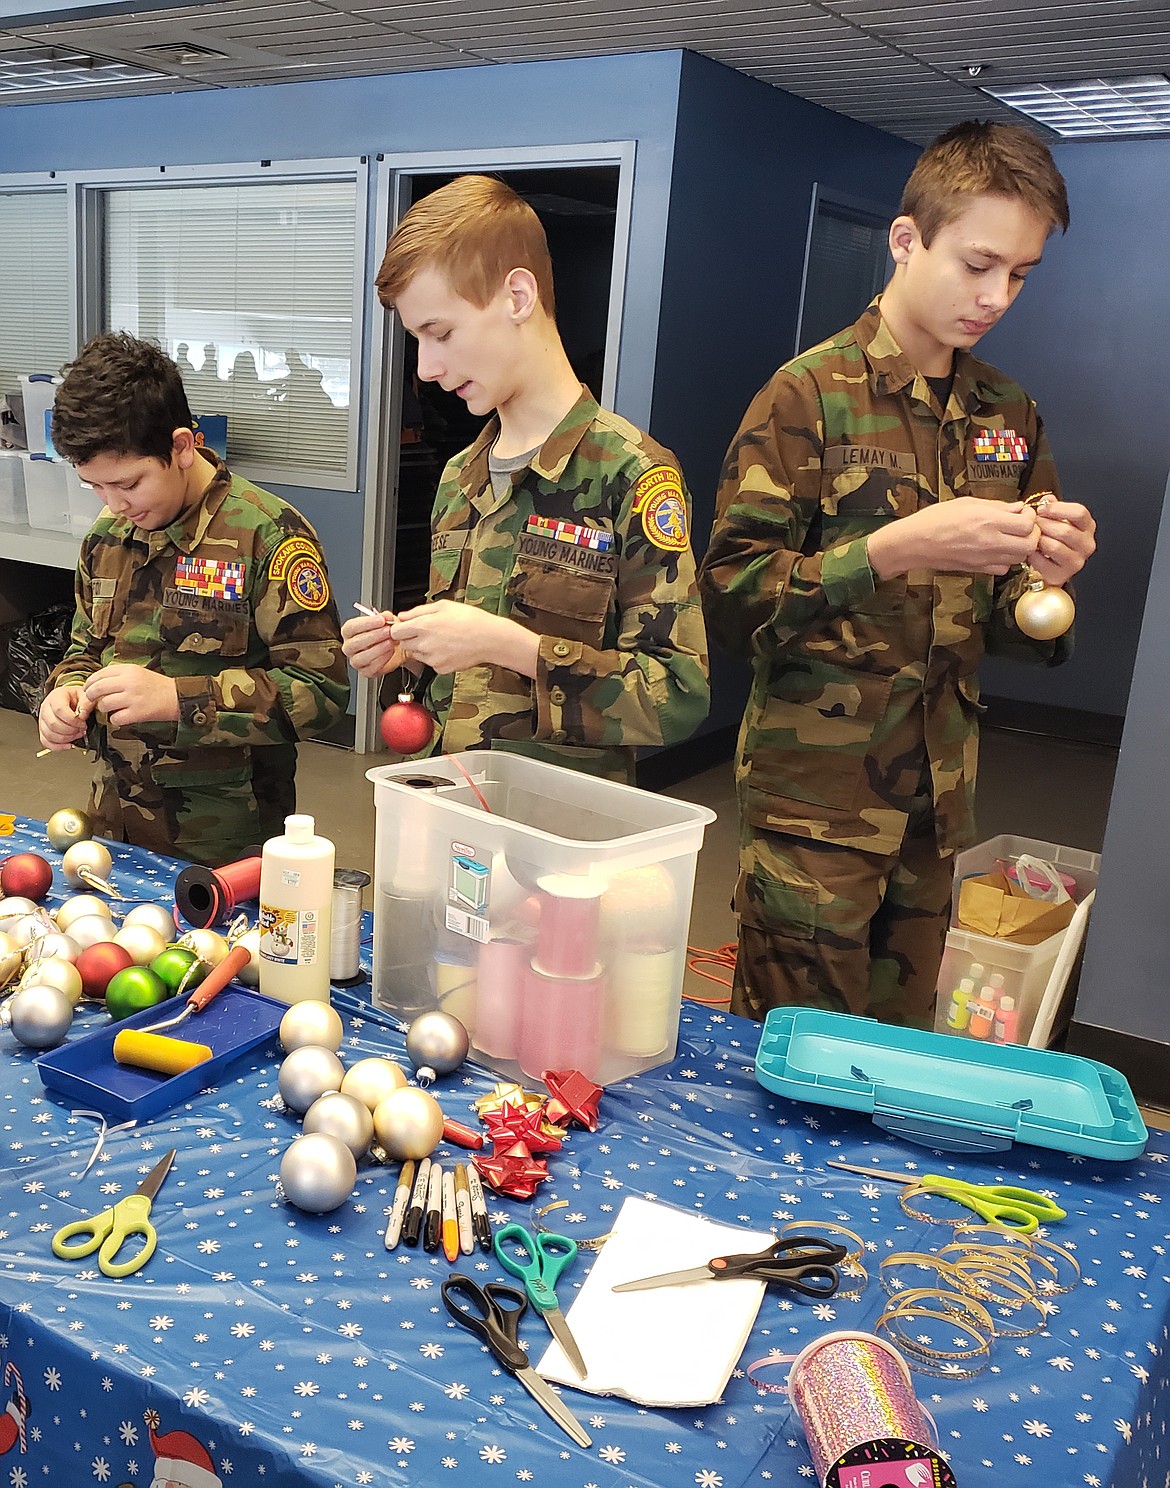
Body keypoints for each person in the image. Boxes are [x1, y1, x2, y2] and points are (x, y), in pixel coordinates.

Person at [698, 120, 1096, 1027]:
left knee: (896, 1056)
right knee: (792, 1059)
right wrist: (896, 547)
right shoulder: (807, 397)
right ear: (908, 240)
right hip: (815, 807)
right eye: (978, 263)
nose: (996, 296)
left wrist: (1053, 583)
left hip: (934, 800)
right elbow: (729, 598)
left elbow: (1014, 625)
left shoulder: (1008, 414)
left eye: (1020, 275)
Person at [343, 174, 709, 782]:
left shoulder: (633, 474)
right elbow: (460, 687)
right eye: (417, 341)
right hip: (452, 811)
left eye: (441, 333)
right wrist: (412, 649)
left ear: (517, 297)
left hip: (562, 835)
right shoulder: (462, 477)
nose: (428, 369)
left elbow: (677, 698)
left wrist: (503, 643)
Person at [38, 332, 349, 866]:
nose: (114, 503)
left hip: (228, 841)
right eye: (95, 486)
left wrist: (176, 700)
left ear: (182, 446)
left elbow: (320, 693)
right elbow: (84, 652)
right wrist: (62, 698)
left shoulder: (268, 535)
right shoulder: (106, 538)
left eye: (129, 483)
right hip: (116, 827)